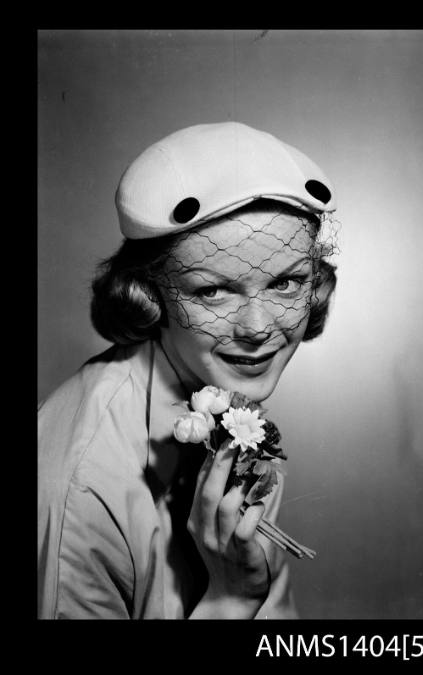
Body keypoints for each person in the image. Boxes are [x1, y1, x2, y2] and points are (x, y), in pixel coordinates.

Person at [38, 121, 338, 619]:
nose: (258, 328)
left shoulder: (223, 397)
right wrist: (228, 602)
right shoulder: (82, 484)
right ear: (150, 293)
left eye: (285, 283)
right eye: (211, 291)